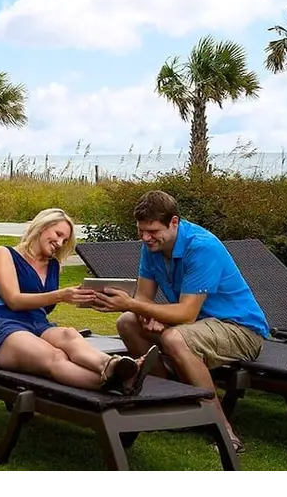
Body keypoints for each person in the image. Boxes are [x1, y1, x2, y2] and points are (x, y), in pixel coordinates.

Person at [78, 187, 268, 452]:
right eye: (141, 231)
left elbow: (187, 313)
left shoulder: (202, 248)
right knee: (127, 322)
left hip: (239, 329)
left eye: (153, 231)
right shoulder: (152, 246)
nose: (146, 238)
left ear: (174, 222)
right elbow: (144, 297)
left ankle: (221, 427)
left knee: (172, 336)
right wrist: (145, 314)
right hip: (195, 327)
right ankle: (168, 401)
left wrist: (135, 305)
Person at [0, 209, 123, 389]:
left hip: (39, 326)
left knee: (70, 334)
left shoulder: (53, 265)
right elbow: (13, 300)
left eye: (64, 240)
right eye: (58, 235)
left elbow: (45, 308)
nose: (59, 243)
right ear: (42, 227)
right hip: (5, 326)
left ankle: (114, 365)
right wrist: (62, 295)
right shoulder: (4, 254)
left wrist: (84, 297)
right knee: (56, 356)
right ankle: (113, 383)